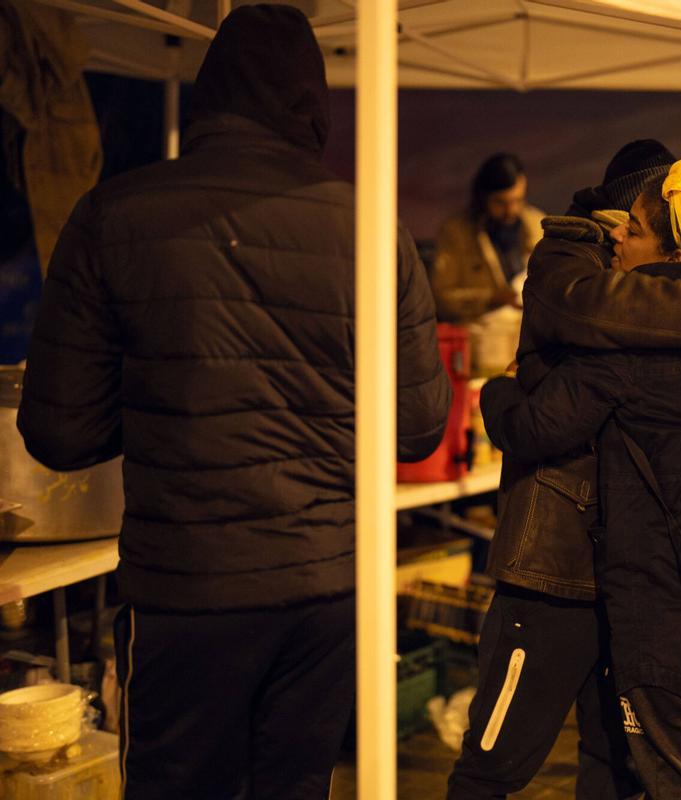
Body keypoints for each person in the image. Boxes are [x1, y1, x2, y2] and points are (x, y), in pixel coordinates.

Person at [16, 7, 450, 797]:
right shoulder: (371, 228)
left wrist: (169, 393)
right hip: (325, 587)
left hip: (188, 589)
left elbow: (57, 430)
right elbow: (419, 428)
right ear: (312, 106)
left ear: (210, 95)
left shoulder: (113, 213)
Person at [448, 140, 681, 800]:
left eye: (640, 227)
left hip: (661, 589)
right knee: (499, 758)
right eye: (627, 219)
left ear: (680, 244)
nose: (622, 237)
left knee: (618, 764)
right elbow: (578, 335)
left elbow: (540, 418)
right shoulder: (571, 257)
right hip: (562, 565)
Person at [431, 152, 545, 324]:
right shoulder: (456, 233)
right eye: (501, 202)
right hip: (483, 337)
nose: (511, 210)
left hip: (533, 334)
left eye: (518, 200)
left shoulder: (538, 225)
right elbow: (441, 297)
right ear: (482, 198)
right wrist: (491, 299)